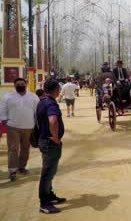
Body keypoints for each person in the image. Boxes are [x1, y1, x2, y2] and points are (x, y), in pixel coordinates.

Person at [0, 78, 39, 181]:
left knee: (25, 148)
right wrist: (5, 121)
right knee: (13, 148)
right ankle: (12, 171)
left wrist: (37, 125)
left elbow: (37, 112)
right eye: (18, 84)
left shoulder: (33, 97)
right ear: (14, 85)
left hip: (29, 126)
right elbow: (2, 109)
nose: (20, 85)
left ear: (26, 84)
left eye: (22, 83)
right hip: (13, 126)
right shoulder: (8, 97)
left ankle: (21, 167)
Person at [37, 79, 66, 214]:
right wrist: (55, 138)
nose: (59, 91)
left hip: (44, 140)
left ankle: (49, 195)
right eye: (58, 89)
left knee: (50, 171)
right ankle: (44, 203)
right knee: (47, 173)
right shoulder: (52, 105)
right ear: (55, 90)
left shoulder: (42, 101)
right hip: (50, 143)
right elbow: (53, 121)